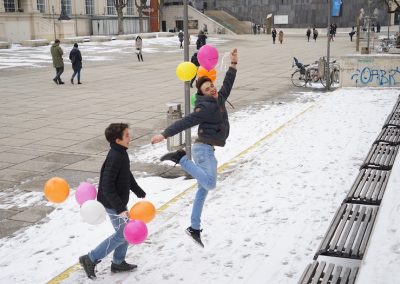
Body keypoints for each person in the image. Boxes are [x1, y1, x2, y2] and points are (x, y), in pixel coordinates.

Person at [151, 48, 238, 248]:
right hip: (203, 150)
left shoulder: (219, 99)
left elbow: (228, 83)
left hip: (208, 149)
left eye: (212, 86)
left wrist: (233, 64)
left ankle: (194, 228)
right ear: (202, 93)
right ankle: (180, 158)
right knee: (210, 183)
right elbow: (185, 121)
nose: (212, 89)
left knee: (202, 190)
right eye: (207, 89)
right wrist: (165, 134)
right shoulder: (205, 107)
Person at [79, 123, 146, 279]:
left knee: (125, 232)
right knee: (123, 233)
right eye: (127, 135)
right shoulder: (115, 157)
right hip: (111, 203)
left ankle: (118, 262)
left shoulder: (121, 153)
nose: (130, 138)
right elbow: (107, 185)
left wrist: (137, 189)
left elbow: (126, 174)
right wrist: (120, 208)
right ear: (118, 140)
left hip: (117, 202)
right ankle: (90, 258)